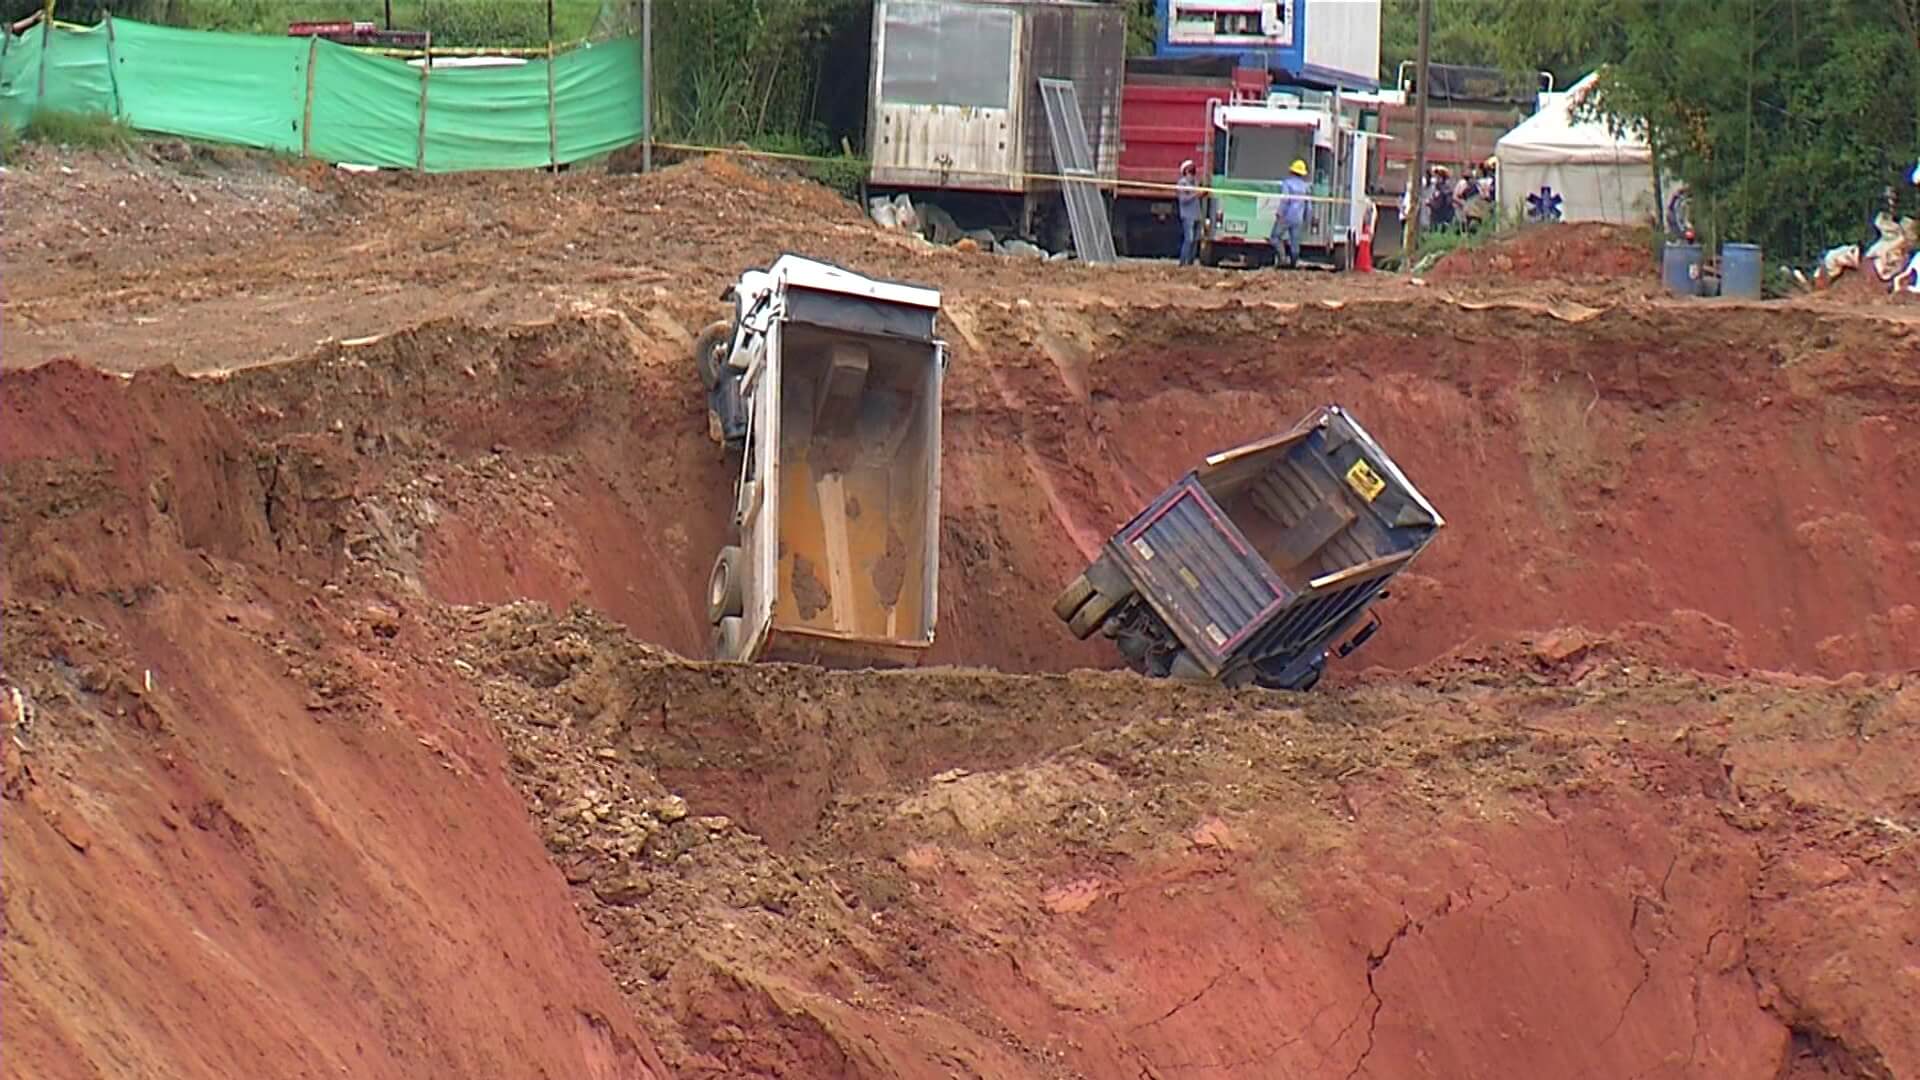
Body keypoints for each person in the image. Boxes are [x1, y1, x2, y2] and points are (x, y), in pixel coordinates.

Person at [1271, 158, 1310, 268]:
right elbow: (1309, 205)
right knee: (1295, 241)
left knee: (1275, 237)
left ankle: (1282, 259)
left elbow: (1285, 200)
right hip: (1298, 218)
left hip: (1286, 216)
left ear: (1292, 171)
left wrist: (1279, 213)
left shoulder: (1287, 183)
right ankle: (1293, 263)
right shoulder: (1305, 187)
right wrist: (1307, 218)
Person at [1176, 159, 1202, 266]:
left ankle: (1190, 263)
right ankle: (1182, 263)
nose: (1192, 174)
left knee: (1195, 240)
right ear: (1185, 172)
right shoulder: (1182, 183)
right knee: (1189, 239)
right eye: (1190, 171)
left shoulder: (1195, 183)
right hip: (1187, 216)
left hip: (1196, 215)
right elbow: (1183, 200)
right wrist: (1196, 194)